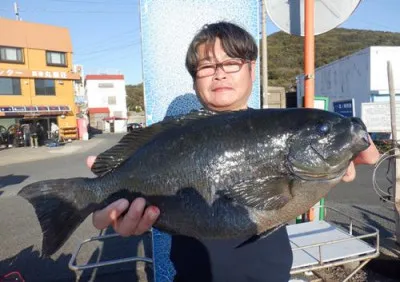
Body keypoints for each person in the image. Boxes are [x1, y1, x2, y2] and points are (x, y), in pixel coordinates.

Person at [87, 21, 380, 281]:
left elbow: (365, 152)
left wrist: (356, 146)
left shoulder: (280, 125)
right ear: (194, 78)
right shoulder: (173, 135)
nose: (219, 74)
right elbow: (101, 216)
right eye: (206, 66)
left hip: (271, 275)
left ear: (252, 69)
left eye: (231, 63)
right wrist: (100, 203)